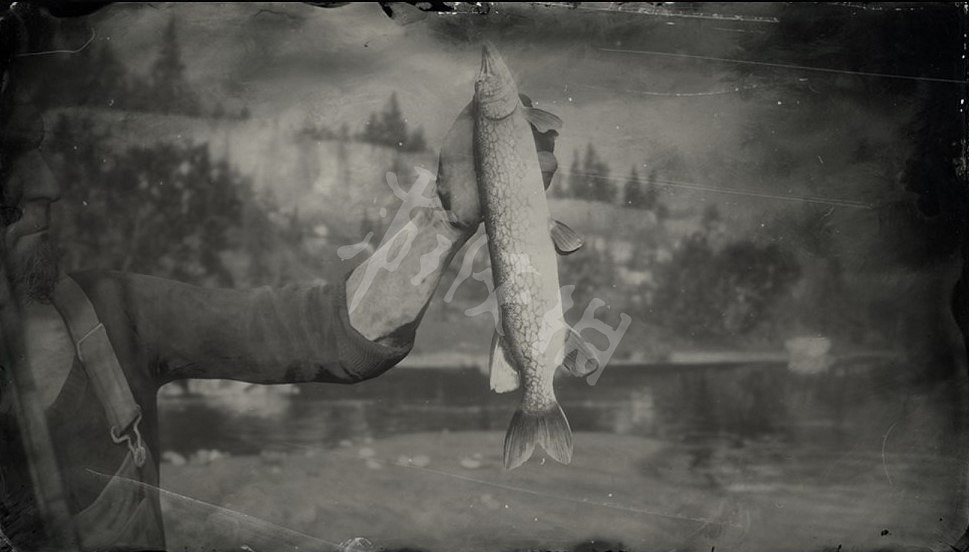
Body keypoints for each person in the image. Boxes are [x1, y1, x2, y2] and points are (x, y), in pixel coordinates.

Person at [0, 5, 565, 551]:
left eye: (42, 150)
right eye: (14, 156)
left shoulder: (115, 314)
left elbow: (327, 329)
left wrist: (445, 217)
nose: (47, 183)